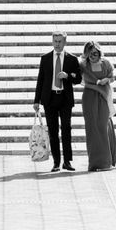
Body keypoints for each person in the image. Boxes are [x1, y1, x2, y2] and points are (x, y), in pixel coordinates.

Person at [33, 31, 82, 172]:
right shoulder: (46, 58)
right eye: (55, 41)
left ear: (65, 42)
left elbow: (78, 78)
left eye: (60, 41)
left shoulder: (72, 59)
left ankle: (67, 161)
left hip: (65, 98)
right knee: (53, 131)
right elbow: (40, 80)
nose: (57, 44)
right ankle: (56, 162)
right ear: (52, 41)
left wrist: (67, 76)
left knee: (66, 129)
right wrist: (36, 101)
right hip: (50, 98)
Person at [79, 41, 116, 172]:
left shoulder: (106, 63)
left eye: (94, 53)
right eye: (89, 54)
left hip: (103, 97)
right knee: (91, 129)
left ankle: (106, 162)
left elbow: (112, 77)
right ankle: (94, 163)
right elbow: (77, 77)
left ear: (99, 52)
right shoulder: (83, 65)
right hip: (89, 97)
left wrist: (107, 80)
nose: (92, 56)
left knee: (102, 126)